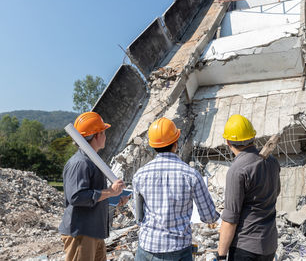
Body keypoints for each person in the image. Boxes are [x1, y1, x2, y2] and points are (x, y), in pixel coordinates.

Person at [132, 117, 220, 261]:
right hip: (177, 250)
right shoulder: (191, 174)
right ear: (176, 144)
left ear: (153, 146)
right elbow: (208, 216)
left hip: (146, 248)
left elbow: (139, 217)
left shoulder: (140, 175)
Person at [59, 112, 128, 261]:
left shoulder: (94, 162)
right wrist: (110, 191)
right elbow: (76, 197)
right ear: (96, 135)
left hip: (94, 231)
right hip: (81, 233)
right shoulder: (80, 163)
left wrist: (114, 198)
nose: (105, 137)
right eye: (104, 132)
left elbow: (93, 196)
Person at [217, 114, 281, 261]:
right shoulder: (272, 161)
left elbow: (230, 219)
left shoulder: (237, 170)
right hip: (269, 244)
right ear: (253, 137)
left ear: (228, 142)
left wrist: (221, 255)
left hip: (245, 248)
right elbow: (276, 192)